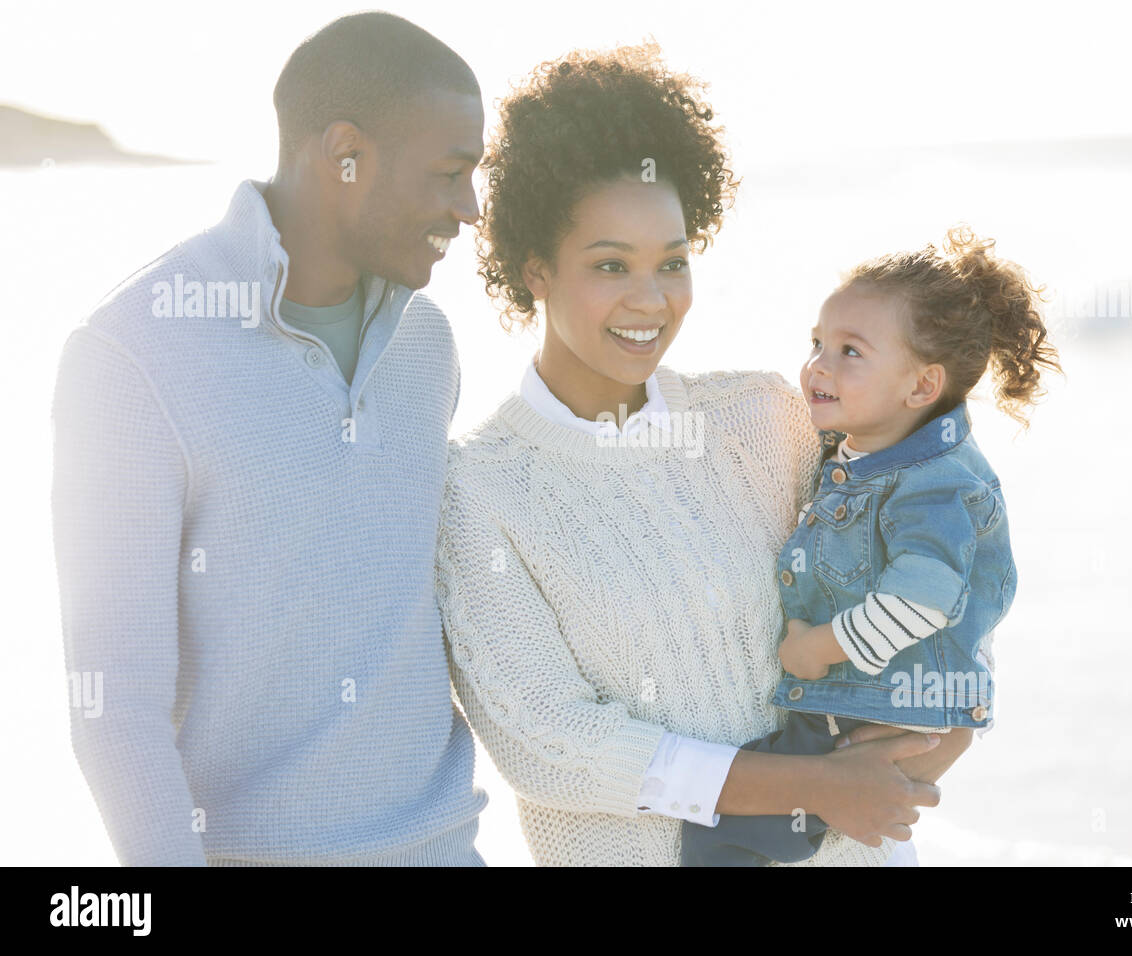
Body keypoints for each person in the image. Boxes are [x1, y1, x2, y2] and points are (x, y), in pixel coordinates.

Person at [435, 43, 968, 867]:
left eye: (673, 263)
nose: (650, 300)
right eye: (611, 265)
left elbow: (930, 574)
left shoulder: (764, 416)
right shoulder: (478, 490)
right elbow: (550, 743)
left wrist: (910, 745)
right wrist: (809, 786)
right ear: (534, 266)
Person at [51, 12, 487, 865]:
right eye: (449, 173)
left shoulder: (427, 343)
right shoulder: (130, 355)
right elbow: (114, 705)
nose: (468, 209)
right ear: (345, 153)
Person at [681, 225, 1062, 865]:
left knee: (722, 829)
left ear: (921, 387)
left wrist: (814, 647)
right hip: (882, 703)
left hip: (887, 709)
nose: (818, 366)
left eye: (850, 351)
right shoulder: (868, 451)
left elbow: (924, 598)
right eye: (817, 343)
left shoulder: (935, 486)